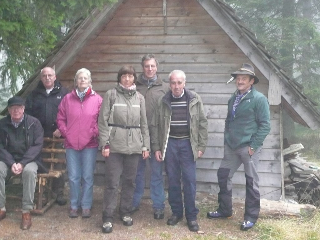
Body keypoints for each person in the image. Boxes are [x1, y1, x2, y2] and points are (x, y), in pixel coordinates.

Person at [206, 63, 271, 231]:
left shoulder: (259, 99)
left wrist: (253, 146)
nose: (240, 81)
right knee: (223, 175)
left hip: (248, 148)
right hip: (231, 147)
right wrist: (227, 139)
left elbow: (265, 126)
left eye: (244, 78)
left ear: (251, 81)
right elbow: (229, 121)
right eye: (238, 78)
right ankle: (225, 210)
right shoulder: (233, 98)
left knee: (251, 182)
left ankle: (250, 217)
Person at [151, 70, 208, 232]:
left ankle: (191, 216)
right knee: (173, 180)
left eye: (179, 83)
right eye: (173, 83)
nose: (176, 86)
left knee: (189, 181)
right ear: (169, 84)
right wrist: (156, 147)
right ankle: (177, 213)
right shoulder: (163, 101)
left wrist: (201, 146)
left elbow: (203, 123)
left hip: (188, 144)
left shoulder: (194, 99)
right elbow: (155, 126)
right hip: (170, 145)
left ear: (184, 83)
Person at [99, 65, 150, 234]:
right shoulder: (111, 95)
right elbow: (103, 121)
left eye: (130, 76)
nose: (127, 79)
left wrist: (145, 146)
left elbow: (144, 124)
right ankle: (107, 217)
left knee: (130, 182)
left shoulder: (140, 98)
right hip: (114, 146)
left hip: (134, 147)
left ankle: (125, 212)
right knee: (112, 183)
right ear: (119, 78)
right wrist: (105, 144)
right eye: (124, 76)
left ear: (134, 78)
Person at [57, 68, 102, 218]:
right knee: (74, 176)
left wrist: (92, 132)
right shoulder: (67, 99)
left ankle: (86, 205)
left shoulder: (97, 99)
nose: (82, 80)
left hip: (90, 144)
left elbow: (101, 121)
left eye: (85, 78)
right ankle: (74, 205)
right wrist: (66, 133)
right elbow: (61, 119)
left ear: (90, 81)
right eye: (80, 78)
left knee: (87, 176)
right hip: (71, 144)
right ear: (76, 81)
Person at [132, 54, 169, 219]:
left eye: (152, 66)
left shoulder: (164, 88)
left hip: (156, 138)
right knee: (137, 173)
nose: (150, 69)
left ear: (157, 67)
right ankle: (133, 202)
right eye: (147, 66)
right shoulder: (134, 86)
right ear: (142, 67)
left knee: (156, 173)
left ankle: (158, 206)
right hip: (137, 137)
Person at [25, 67, 69, 206]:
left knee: (58, 163)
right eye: (44, 76)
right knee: (40, 163)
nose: (47, 78)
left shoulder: (64, 93)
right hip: (39, 137)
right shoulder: (33, 94)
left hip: (58, 135)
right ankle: (42, 191)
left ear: (55, 77)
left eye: (50, 75)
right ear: (41, 78)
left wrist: (62, 129)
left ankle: (58, 193)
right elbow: (28, 115)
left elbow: (70, 114)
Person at [0, 96, 44, 230]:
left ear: (23, 109)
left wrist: (23, 163)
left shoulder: (34, 123)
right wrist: (11, 162)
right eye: (13, 108)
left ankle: (26, 211)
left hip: (29, 160)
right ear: (8, 110)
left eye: (19, 108)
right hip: (8, 160)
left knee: (30, 172)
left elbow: (37, 145)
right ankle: (1, 207)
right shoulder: (2, 124)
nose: (16, 111)